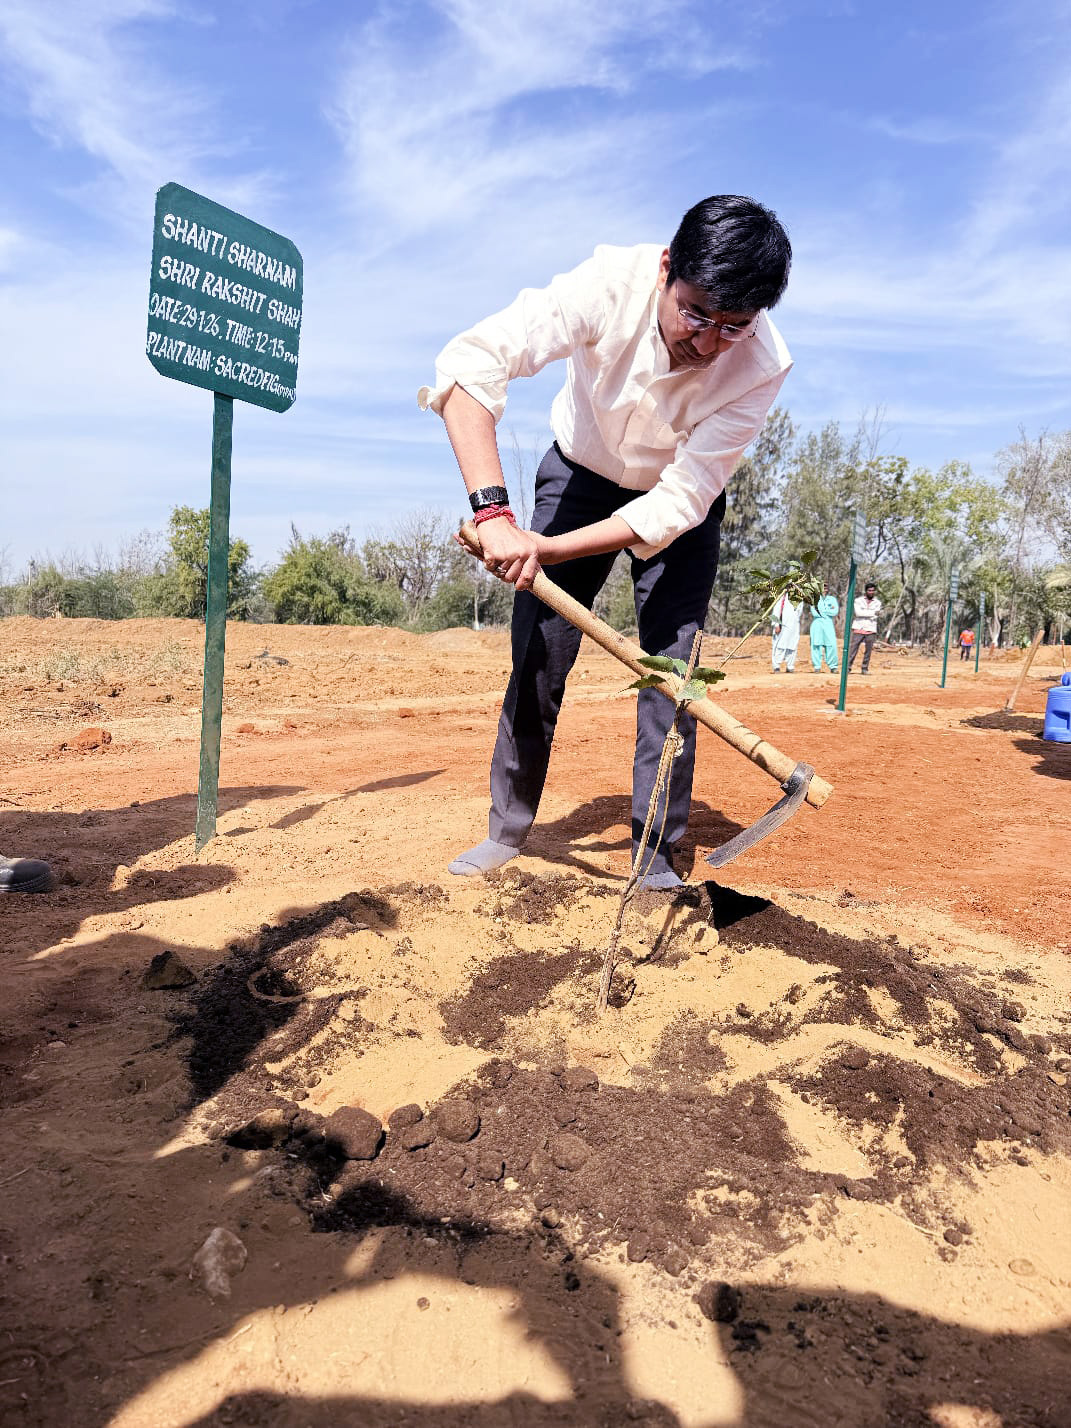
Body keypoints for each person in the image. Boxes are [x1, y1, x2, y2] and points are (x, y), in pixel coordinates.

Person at [420, 195, 793, 889]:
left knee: (671, 675)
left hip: (681, 506)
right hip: (579, 473)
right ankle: (506, 829)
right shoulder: (605, 285)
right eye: (695, 313)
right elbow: (471, 364)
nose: (708, 343)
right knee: (538, 651)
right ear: (663, 270)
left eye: (732, 327)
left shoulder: (763, 364)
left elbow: (681, 498)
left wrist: (548, 552)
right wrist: (496, 515)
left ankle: (654, 858)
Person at [847, 581, 882, 674]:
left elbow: (876, 615)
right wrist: (872, 613)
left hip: (871, 629)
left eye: (873, 590)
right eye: (869, 590)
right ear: (866, 591)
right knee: (853, 649)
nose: (871, 592)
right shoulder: (858, 601)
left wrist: (867, 614)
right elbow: (858, 613)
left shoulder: (878, 603)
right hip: (858, 627)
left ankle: (864, 668)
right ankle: (848, 667)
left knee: (868, 651)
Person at [808, 585, 839, 672]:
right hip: (817, 624)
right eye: (822, 587)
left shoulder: (832, 599)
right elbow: (814, 612)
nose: (824, 589)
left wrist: (822, 611)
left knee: (831, 645)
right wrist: (827, 611)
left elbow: (835, 611)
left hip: (828, 623)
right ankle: (817, 666)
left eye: (826, 587)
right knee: (816, 644)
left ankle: (833, 666)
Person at [770, 593, 800, 673]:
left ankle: (790, 666)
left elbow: (799, 613)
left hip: (794, 627)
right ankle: (776, 666)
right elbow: (776, 611)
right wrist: (776, 625)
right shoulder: (781, 597)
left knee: (792, 646)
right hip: (782, 626)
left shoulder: (799, 597)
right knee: (779, 646)